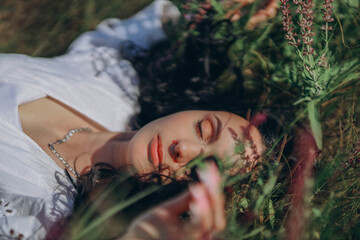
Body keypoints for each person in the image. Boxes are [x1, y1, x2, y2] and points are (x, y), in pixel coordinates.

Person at [0, 0, 276, 239]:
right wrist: (220, 10)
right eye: (203, 129)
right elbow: (163, 17)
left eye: (199, 170)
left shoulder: (47, 217)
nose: (183, 150)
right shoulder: (116, 85)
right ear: (191, 108)